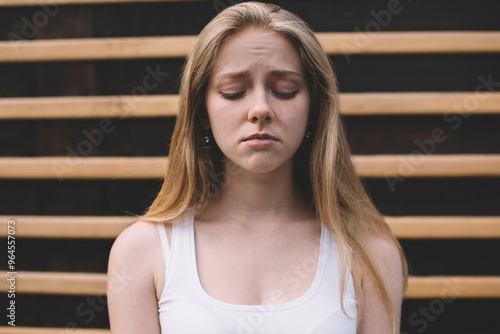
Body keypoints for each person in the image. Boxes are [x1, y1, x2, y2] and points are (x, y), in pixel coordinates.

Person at [107, 2, 408, 333]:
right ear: (202, 112)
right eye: (234, 92)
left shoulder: (372, 254)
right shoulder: (141, 251)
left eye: (285, 90)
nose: (261, 109)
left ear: (314, 108)